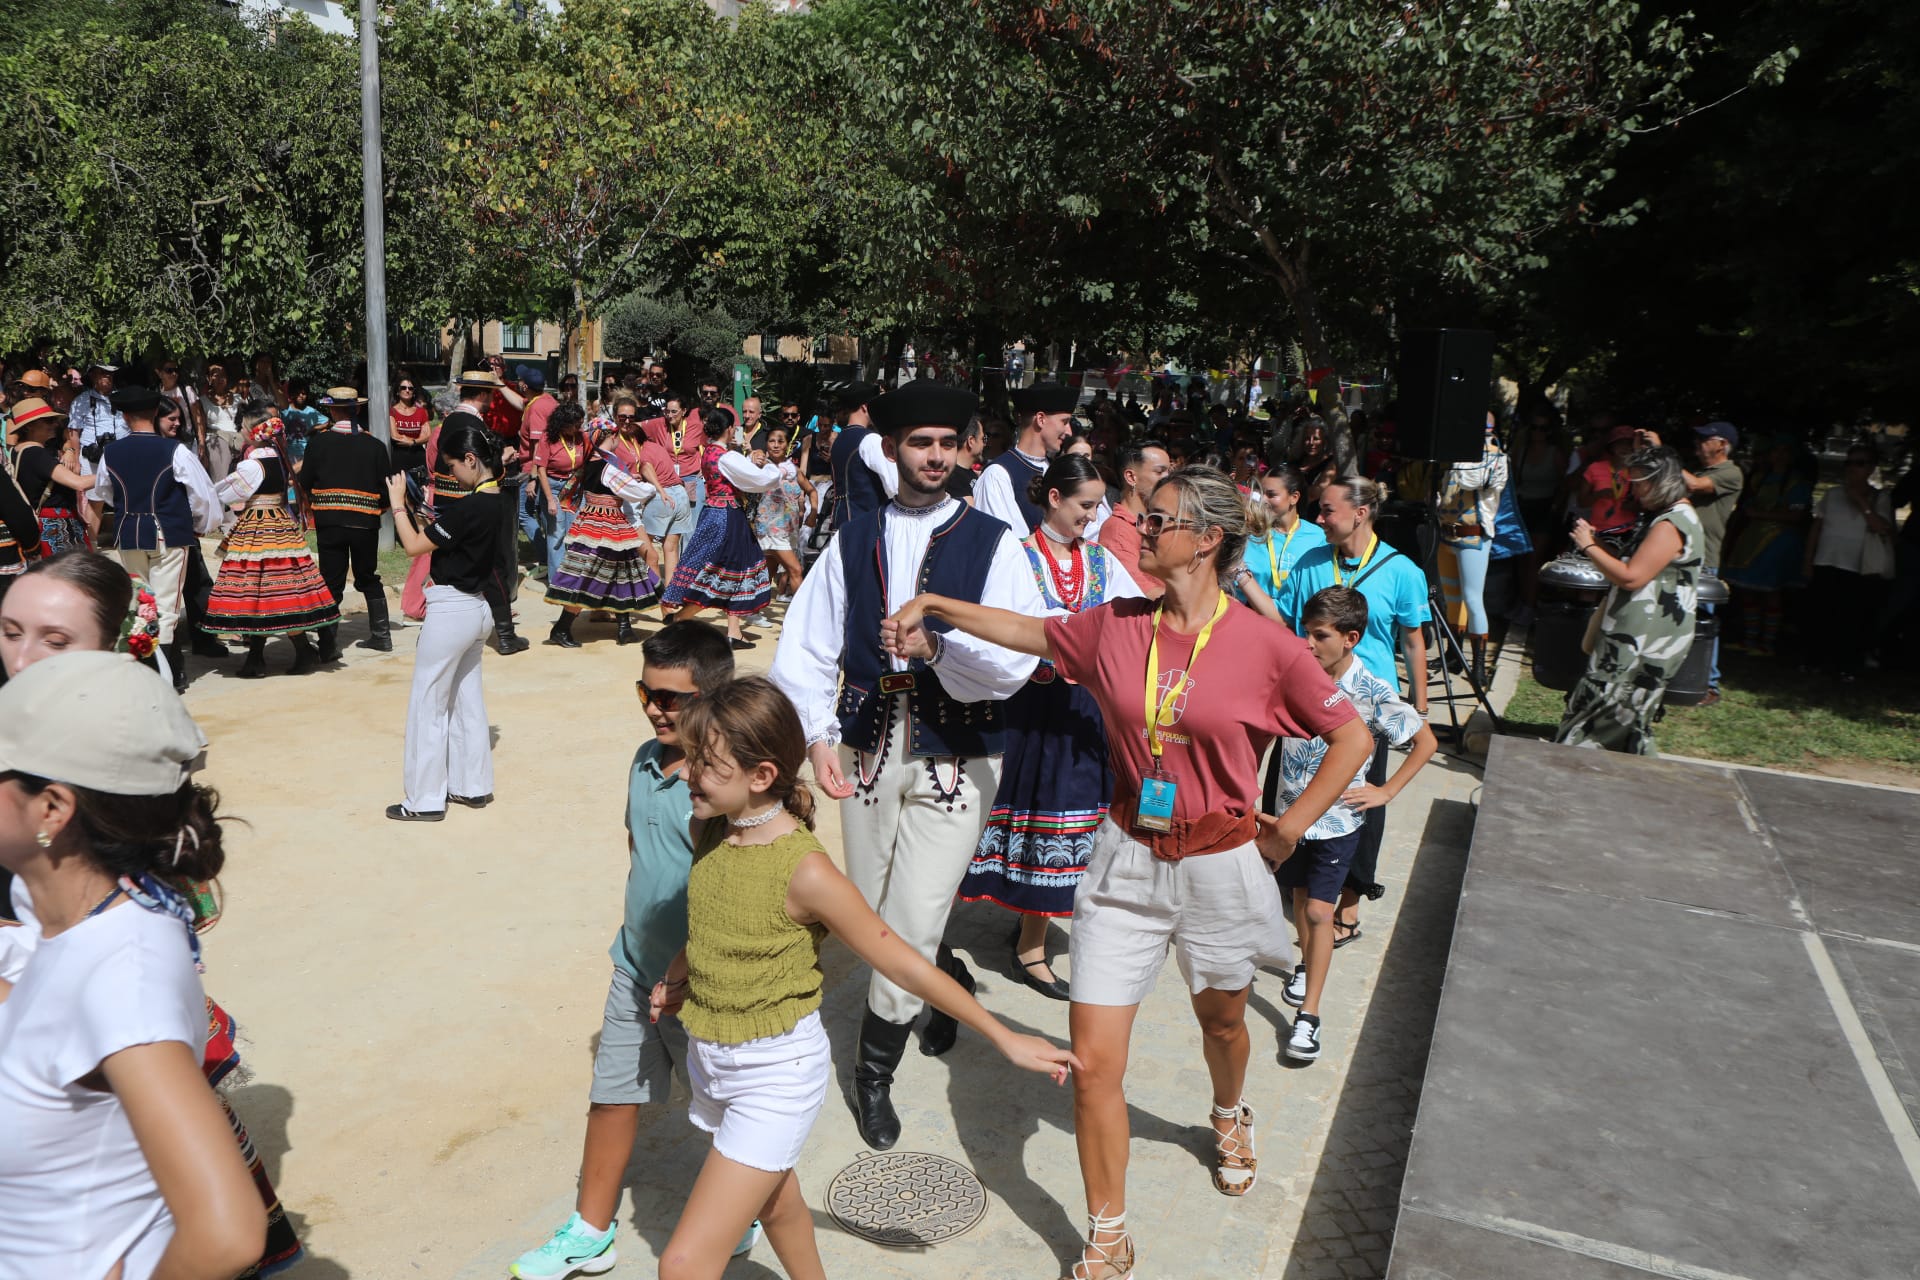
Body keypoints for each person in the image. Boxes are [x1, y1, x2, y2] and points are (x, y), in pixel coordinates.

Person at [881, 465, 1370, 1280]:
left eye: (1158, 520)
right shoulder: (1114, 626)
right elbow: (1030, 632)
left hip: (1220, 865)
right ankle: (1107, 1231)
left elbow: (1350, 736)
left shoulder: (1266, 643)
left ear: (1207, 539)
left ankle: (1227, 1111)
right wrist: (936, 606)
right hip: (1122, 865)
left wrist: (1287, 829)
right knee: (1096, 1064)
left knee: (1221, 1023)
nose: (1138, 530)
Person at [645, 677, 1077, 1280]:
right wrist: (678, 976)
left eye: (707, 765)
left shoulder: (807, 872)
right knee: (774, 1199)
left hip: (774, 1075)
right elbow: (712, 917)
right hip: (711, 1059)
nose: (688, 774)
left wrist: (1005, 1036)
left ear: (762, 775)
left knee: (683, 1266)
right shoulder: (711, 830)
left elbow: (901, 960)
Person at [768, 379, 1043, 1151]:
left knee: (913, 916)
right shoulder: (855, 539)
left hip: (960, 752)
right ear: (891, 450)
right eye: (919, 443)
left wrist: (942, 646)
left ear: (963, 450)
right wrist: (816, 736)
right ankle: (939, 977)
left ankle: (872, 1070)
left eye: (946, 444)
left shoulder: (995, 543)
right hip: (864, 743)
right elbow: (810, 643)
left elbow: (1015, 658)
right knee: (870, 907)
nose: (933, 457)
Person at [0, 651, 269, 1280]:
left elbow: (226, 1233)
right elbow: (51, 1020)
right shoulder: (60, 903)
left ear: (51, 810)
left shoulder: (124, 977)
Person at [508, 623, 757, 1280]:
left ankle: (744, 1204)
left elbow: (736, 897)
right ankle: (591, 1231)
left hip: (708, 987)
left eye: (673, 698)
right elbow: (637, 848)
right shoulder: (645, 761)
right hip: (635, 968)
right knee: (613, 1096)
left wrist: (689, 974)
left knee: (729, 1114)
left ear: (714, 696)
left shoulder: (727, 792)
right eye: (647, 692)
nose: (655, 708)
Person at [959, 455, 1141, 1001]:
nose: (1094, 515)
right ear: (1055, 499)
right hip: (1024, 709)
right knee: (1012, 808)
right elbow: (993, 624)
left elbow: (1133, 615)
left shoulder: (1104, 563)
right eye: (1086, 505)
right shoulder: (1017, 557)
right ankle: (1000, 924)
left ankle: (1031, 943)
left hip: (1081, 711)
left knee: (1070, 815)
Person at [1271, 587, 1434, 1062]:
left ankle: (1310, 1016)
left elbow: (1425, 743)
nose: (1308, 642)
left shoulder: (1372, 689)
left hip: (1339, 822)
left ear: (1350, 638)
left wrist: (1386, 792)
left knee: (1322, 912)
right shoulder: (1297, 674)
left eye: (1319, 634)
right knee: (1301, 903)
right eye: (1305, 631)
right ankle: (1305, 964)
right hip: (1291, 817)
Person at [1275, 475, 1430, 944]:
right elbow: (1285, 623)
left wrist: (1417, 706)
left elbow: (1412, 639)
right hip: (1308, 696)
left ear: (1360, 513)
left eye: (1327, 510)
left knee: (1359, 804)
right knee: (1296, 790)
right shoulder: (1310, 561)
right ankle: (1303, 891)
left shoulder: (1402, 570)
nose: (1318, 519)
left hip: (1365, 706)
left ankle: (1348, 906)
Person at [385, 420, 506, 821]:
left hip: (452, 609)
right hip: (477, 608)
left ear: (471, 460)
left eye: (453, 466)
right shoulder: (495, 500)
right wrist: (423, 513)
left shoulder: (469, 506)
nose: (452, 473)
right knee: (467, 700)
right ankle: (472, 786)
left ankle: (423, 800)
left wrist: (399, 504)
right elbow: (444, 536)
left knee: (429, 704)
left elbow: (413, 546)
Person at [1557, 446, 1703, 753]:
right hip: (1634, 636)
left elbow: (1632, 577)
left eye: (1638, 482)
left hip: (1642, 642)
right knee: (1621, 720)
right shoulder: (1665, 518)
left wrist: (1587, 547)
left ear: (1660, 481)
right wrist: (1598, 543)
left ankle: (1569, 773)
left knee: (1606, 712)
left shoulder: (1672, 523)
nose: (1632, 490)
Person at [91, 386, 224, 690]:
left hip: (128, 534)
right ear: (155, 413)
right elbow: (203, 496)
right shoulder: (175, 450)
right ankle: (166, 677)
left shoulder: (111, 452)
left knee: (140, 603)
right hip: (168, 534)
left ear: (124, 416)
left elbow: (104, 492)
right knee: (165, 609)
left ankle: (148, 671)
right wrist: (203, 524)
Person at [204, 414, 340, 679]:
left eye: (243, 428)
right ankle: (299, 652)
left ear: (253, 433)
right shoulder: (278, 458)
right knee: (284, 589)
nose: (241, 431)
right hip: (280, 526)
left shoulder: (252, 465)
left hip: (258, 527)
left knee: (254, 590)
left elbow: (225, 493)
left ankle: (259, 659)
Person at [662, 407, 782, 650]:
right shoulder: (728, 456)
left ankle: (733, 631)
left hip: (713, 513)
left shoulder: (709, 453)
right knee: (722, 571)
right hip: (729, 517)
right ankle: (680, 619)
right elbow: (760, 481)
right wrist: (771, 466)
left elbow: (735, 474)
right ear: (729, 429)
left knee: (728, 569)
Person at [543, 422, 668, 649]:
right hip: (605, 523)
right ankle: (561, 628)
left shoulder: (590, 461)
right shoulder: (607, 466)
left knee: (622, 570)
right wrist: (653, 487)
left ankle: (624, 628)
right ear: (613, 435)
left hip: (595, 520)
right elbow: (634, 491)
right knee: (587, 574)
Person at [300, 389, 397, 655]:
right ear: (356, 409)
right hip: (365, 524)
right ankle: (382, 635)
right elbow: (386, 490)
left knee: (331, 582)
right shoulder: (375, 445)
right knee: (368, 577)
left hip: (330, 523)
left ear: (332, 411)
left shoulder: (318, 443)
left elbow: (304, 481)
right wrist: (374, 509)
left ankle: (329, 644)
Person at [1800, 445, 1896, 682]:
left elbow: (1882, 528)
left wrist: (1861, 502)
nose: (1853, 468)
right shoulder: (1832, 494)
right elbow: (1817, 527)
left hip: (1857, 566)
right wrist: (1808, 559)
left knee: (1851, 618)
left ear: (1871, 468)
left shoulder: (1880, 497)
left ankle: (1846, 665)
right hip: (1826, 560)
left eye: (1860, 463)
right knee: (1820, 614)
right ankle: (1813, 660)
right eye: (1849, 463)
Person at [1722, 435, 1813, 658]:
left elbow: (1797, 515)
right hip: (1753, 538)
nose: (1779, 456)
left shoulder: (1797, 482)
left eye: (1785, 451)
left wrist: (1761, 514)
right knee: (1747, 590)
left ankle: (1767, 642)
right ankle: (1750, 638)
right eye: (1775, 450)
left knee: (1771, 591)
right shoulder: (1761, 479)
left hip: (1778, 540)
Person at [1435, 419, 1509, 687]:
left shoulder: (1496, 458)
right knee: (1452, 599)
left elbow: (1471, 479)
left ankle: (1478, 666)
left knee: (1472, 600)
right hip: (1448, 535)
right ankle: (1454, 655)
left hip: (1473, 536)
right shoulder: (1456, 457)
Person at [1681, 421, 1745, 705]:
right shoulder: (1703, 471)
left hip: (1705, 559)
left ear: (1722, 444)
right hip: (1686, 554)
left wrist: (1663, 456)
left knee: (1704, 622)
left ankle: (1710, 685)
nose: (1698, 442)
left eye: (1705, 438)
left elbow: (1695, 486)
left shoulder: (1731, 472)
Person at [974, 382, 1076, 534]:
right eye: (1065, 422)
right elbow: (1006, 542)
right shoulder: (998, 475)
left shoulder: (1056, 469)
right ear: (1040, 419)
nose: (1069, 432)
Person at [7, 397, 91, 561]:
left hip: (43, 525)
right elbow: (79, 483)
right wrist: (112, 473)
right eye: (48, 420)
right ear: (30, 426)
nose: (54, 425)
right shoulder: (37, 454)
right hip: (56, 527)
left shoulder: (19, 450)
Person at [641, 394, 708, 587]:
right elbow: (635, 426)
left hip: (691, 480)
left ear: (684, 412)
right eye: (666, 411)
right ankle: (658, 579)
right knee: (665, 532)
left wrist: (704, 469)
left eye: (673, 412)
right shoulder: (659, 424)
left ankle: (687, 576)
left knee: (690, 530)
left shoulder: (696, 426)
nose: (669, 415)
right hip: (668, 481)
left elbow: (708, 444)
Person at [1240, 465, 1326, 600]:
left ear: (1294, 497)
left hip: (1296, 618)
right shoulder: (1250, 534)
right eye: (1261, 492)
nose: (1262, 500)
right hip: (1252, 617)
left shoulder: (1317, 537)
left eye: (1271, 494)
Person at [1097, 440, 1171, 594]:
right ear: (1131, 477)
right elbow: (1140, 590)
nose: (1168, 479)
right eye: (1159, 472)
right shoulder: (1117, 531)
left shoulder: (1161, 522)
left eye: (1169, 471)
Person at [751, 423, 814, 602]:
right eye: (772, 441)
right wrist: (753, 456)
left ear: (788, 445)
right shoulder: (762, 465)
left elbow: (812, 490)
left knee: (769, 570)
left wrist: (813, 512)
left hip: (789, 529)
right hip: (770, 527)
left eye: (780, 441)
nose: (776, 445)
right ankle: (803, 613)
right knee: (795, 569)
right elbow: (751, 463)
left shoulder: (794, 470)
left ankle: (753, 607)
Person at [533, 400, 590, 583]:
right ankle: (557, 582)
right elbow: (540, 469)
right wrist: (550, 499)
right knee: (556, 534)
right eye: (576, 424)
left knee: (575, 532)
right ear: (564, 423)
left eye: (581, 423)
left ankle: (573, 578)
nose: (579, 428)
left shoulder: (582, 437)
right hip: (554, 487)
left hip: (575, 487)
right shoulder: (547, 438)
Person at [825, 383, 888, 527]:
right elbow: (894, 486)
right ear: (865, 407)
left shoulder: (839, 440)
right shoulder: (871, 440)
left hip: (841, 520)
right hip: (867, 522)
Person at [1578, 424, 1641, 536]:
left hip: (1628, 529)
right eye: (1620, 444)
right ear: (1611, 446)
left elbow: (1649, 505)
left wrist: (1636, 507)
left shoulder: (1639, 471)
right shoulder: (1595, 468)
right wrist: (1598, 495)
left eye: (1629, 444)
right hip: (1598, 530)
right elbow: (1581, 502)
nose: (1625, 448)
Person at [195, 361, 241, 482]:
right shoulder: (202, 401)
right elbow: (201, 426)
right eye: (215, 375)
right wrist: (202, 448)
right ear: (209, 378)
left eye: (223, 375)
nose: (220, 378)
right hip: (216, 438)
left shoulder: (237, 398)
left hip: (237, 439)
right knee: (221, 477)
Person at [388, 376, 433, 476]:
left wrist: (412, 442)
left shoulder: (421, 412)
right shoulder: (391, 411)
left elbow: (428, 435)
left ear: (413, 392)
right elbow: (395, 437)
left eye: (410, 388)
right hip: (399, 458)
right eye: (403, 388)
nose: (407, 390)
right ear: (397, 391)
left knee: (420, 489)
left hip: (419, 456)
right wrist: (418, 439)